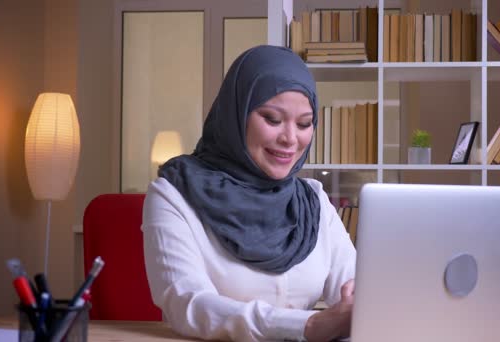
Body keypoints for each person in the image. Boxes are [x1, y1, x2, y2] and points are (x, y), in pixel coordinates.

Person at [142, 45, 356, 342]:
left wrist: (362, 299)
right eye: (272, 119)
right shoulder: (174, 195)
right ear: (236, 114)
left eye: (305, 123)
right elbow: (187, 304)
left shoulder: (313, 202)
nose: (290, 139)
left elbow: (352, 284)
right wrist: (306, 326)